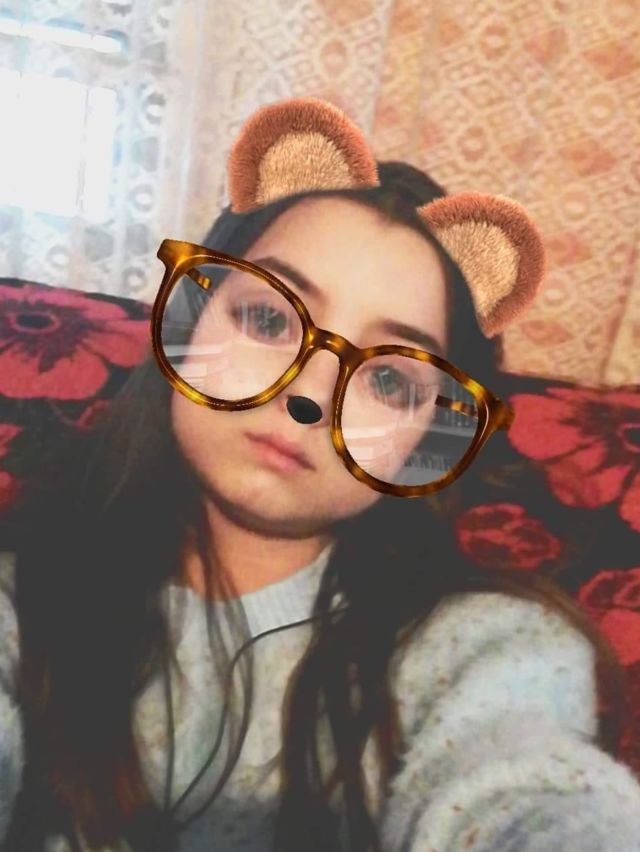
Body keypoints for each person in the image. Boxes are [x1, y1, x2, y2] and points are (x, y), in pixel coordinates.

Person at [1, 97, 640, 852]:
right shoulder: (25, 591)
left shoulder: (486, 649)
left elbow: (528, 798)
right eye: (268, 319)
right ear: (189, 321)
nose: (308, 396)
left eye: (388, 379)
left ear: (429, 439)